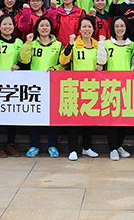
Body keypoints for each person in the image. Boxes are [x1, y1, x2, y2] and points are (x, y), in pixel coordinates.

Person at [59, 17, 103, 161]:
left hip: (92, 87)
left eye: (89, 27)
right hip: (76, 86)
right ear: (79, 29)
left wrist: (100, 67)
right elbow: (63, 60)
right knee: (74, 120)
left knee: (88, 119)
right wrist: (70, 45)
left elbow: (103, 62)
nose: (87, 29)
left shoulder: (97, 45)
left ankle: (86, 147)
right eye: (84, 27)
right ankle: (72, 149)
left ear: (93, 29)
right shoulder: (75, 44)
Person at [19, 17, 64, 158]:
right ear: (37, 28)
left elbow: (64, 64)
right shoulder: (32, 44)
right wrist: (27, 43)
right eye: (41, 26)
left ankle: (52, 145)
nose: (44, 28)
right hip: (36, 86)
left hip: (53, 85)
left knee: (53, 117)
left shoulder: (58, 45)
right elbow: (24, 60)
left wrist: (55, 68)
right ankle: (34, 145)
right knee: (35, 116)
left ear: (51, 28)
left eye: (47, 25)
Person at [0, 14, 25, 158]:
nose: (7, 27)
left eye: (10, 24)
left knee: (12, 115)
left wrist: (19, 65)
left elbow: (24, 60)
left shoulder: (19, 42)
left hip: (14, 84)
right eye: (4, 24)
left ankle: (10, 144)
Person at [97, 17, 134, 161]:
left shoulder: (131, 45)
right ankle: (112, 148)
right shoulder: (107, 43)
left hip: (126, 86)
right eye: (117, 26)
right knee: (112, 120)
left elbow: (133, 63)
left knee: (123, 119)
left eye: (122, 26)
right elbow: (101, 61)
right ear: (113, 28)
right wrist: (101, 45)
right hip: (110, 86)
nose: (120, 28)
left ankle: (119, 145)